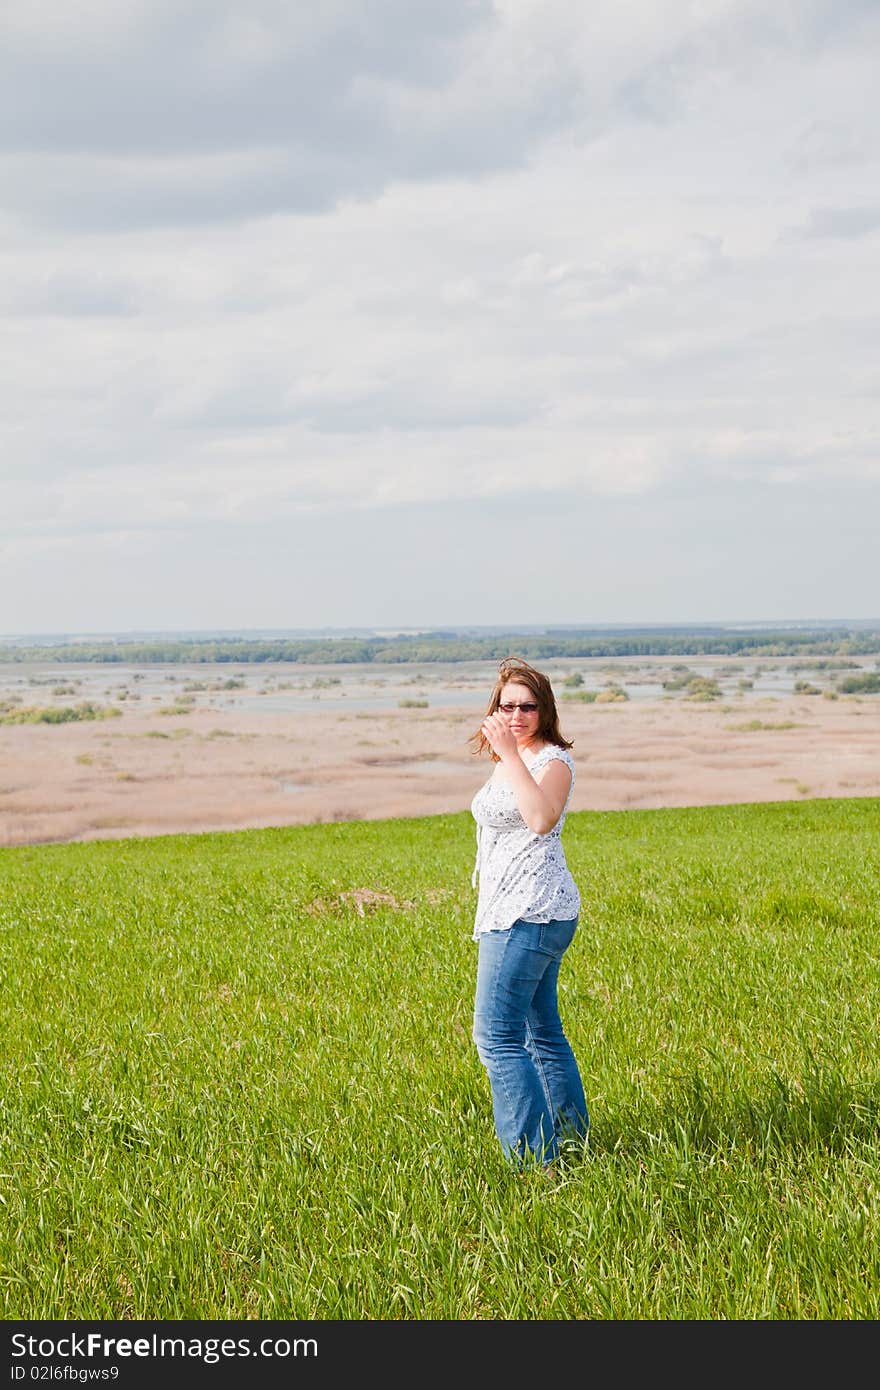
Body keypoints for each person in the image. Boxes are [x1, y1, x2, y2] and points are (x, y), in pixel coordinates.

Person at [468, 656, 589, 1174]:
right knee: (542, 1032)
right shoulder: (510, 760)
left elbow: (541, 819)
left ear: (545, 710)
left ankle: (536, 1164)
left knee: (495, 1037)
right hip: (515, 911)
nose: (515, 714)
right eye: (506, 705)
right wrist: (506, 756)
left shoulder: (551, 762)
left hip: (530, 913)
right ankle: (571, 1142)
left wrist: (510, 754)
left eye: (527, 706)